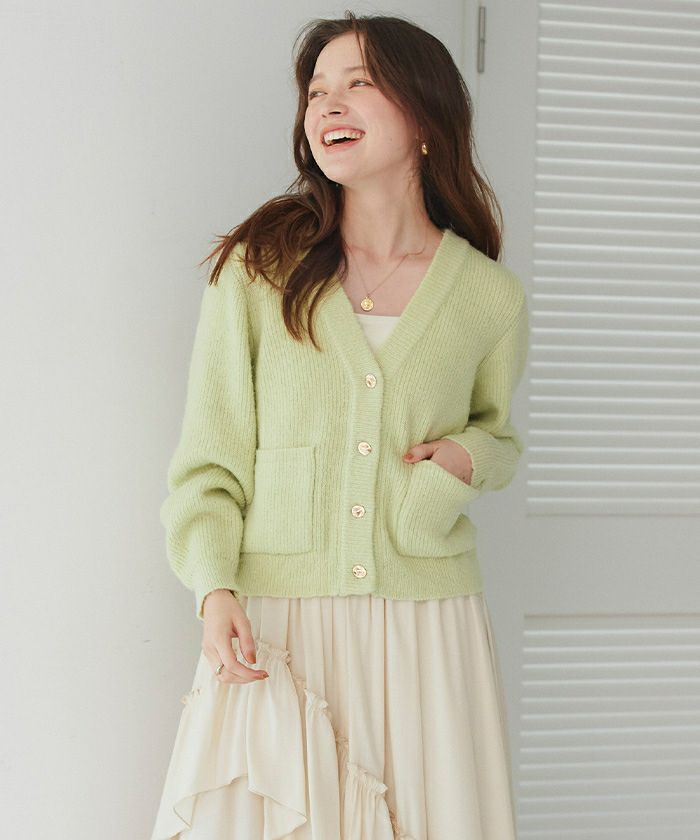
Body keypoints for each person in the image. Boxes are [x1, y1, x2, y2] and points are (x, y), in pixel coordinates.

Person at [151, 11, 529, 840]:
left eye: (359, 82)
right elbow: (210, 457)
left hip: (427, 624)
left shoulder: (487, 296)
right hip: (281, 623)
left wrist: (465, 459)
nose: (329, 103)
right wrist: (214, 587)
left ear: (425, 117)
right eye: (317, 89)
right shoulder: (259, 269)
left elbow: (498, 437)